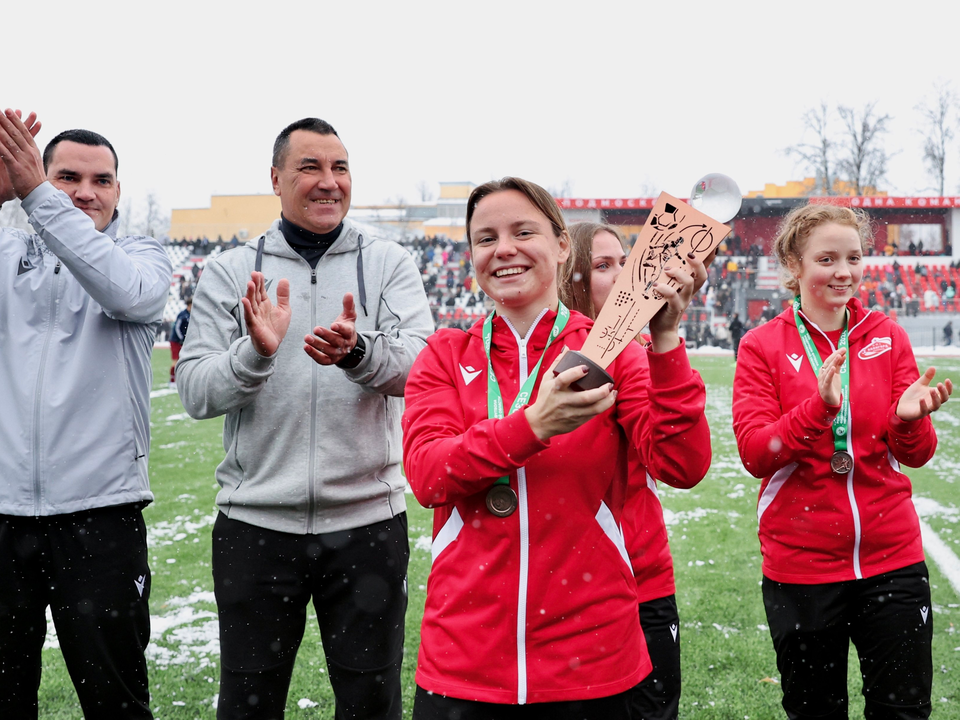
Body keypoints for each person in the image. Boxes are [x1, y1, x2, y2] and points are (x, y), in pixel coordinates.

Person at [402, 178, 711, 719]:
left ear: (563, 245)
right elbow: (429, 475)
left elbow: (681, 465)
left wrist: (664, 343)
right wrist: (533, 426)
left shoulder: (613, 351)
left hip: (592, 660)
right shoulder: (445, 354)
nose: (504, 249)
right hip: (463, 662)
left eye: (524, 231)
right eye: (486, 238)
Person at [177, 117, 433, 720]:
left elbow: (424, 368)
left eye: (339, 167)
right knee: (248, 700)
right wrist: (255, 353)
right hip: (256, 526)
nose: (328, 182)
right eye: (310, 167)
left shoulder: (390, 261)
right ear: (275, 178)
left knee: (371, 700)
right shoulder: (231, 270)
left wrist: (360, 353)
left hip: (368, 523)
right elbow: (194, 389)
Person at [732, 203, 952, 720]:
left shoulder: (887, 335)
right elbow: (754, 452)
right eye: (827, 259)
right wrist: (818, 409)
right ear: (794, 264)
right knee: (816, 712)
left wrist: (907, 420)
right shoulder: (761, 345)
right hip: (801, 567)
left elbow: (916, 455)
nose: (844, 272)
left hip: (892, 560)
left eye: (853, 257)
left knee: (903, 711)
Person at [0, 109, 172, 719]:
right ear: (39, 175)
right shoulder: (6, 251)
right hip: (4, 515)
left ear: (119, 191)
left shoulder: (143, 255)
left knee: (116, 700)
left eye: (101, 180)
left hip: (101, 517)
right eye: (67, 177)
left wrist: (37, 200)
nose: (83, 192)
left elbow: (129, 293)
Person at [562, 221, 705, 720]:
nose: (624, 277)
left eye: (625, 263)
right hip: (555, 586)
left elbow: (681, 464)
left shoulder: (637, 353)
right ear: (569, 277)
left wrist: (666, 341)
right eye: (604, 266)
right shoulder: (530, 353)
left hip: (639, 577)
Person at [168, 299, 191, 387]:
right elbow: (177, 328)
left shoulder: (190, 315)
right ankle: (172, 380)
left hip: (184, 342)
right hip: (176, 341)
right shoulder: (183, 315)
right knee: (176, 360)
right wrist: (181, 338)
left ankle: (180, 380)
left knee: (183, 361)